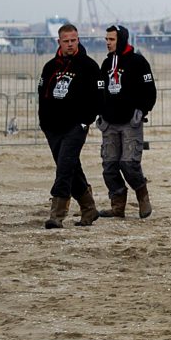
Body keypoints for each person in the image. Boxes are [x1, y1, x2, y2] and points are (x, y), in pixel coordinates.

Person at [36, 23, 100, 229]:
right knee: (71, 167)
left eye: (74, 40)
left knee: (64, 167)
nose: (70, 45)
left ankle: (57, 214)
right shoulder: (50, 67)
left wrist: (85, 120)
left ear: (78, 40)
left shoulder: (89, 66)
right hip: (52, 127)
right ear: (59, 42)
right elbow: (42, 96)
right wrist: (43, 122)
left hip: (76, 126)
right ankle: (89, 208)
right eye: (66, 41)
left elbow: (99, 97)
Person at [96, 25, 157, 219]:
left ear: (121, 40)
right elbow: (100, 90)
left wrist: (142, 110)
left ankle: (142, 194)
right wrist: (100, 112)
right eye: (106, 39)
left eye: (111, 39)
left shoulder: (138, 62)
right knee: (109, 165)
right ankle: (117, 205)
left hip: (130, 123)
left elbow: (150, 90)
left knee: (129, 163)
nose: (107, 43)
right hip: (110, 123)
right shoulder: (105, 65)